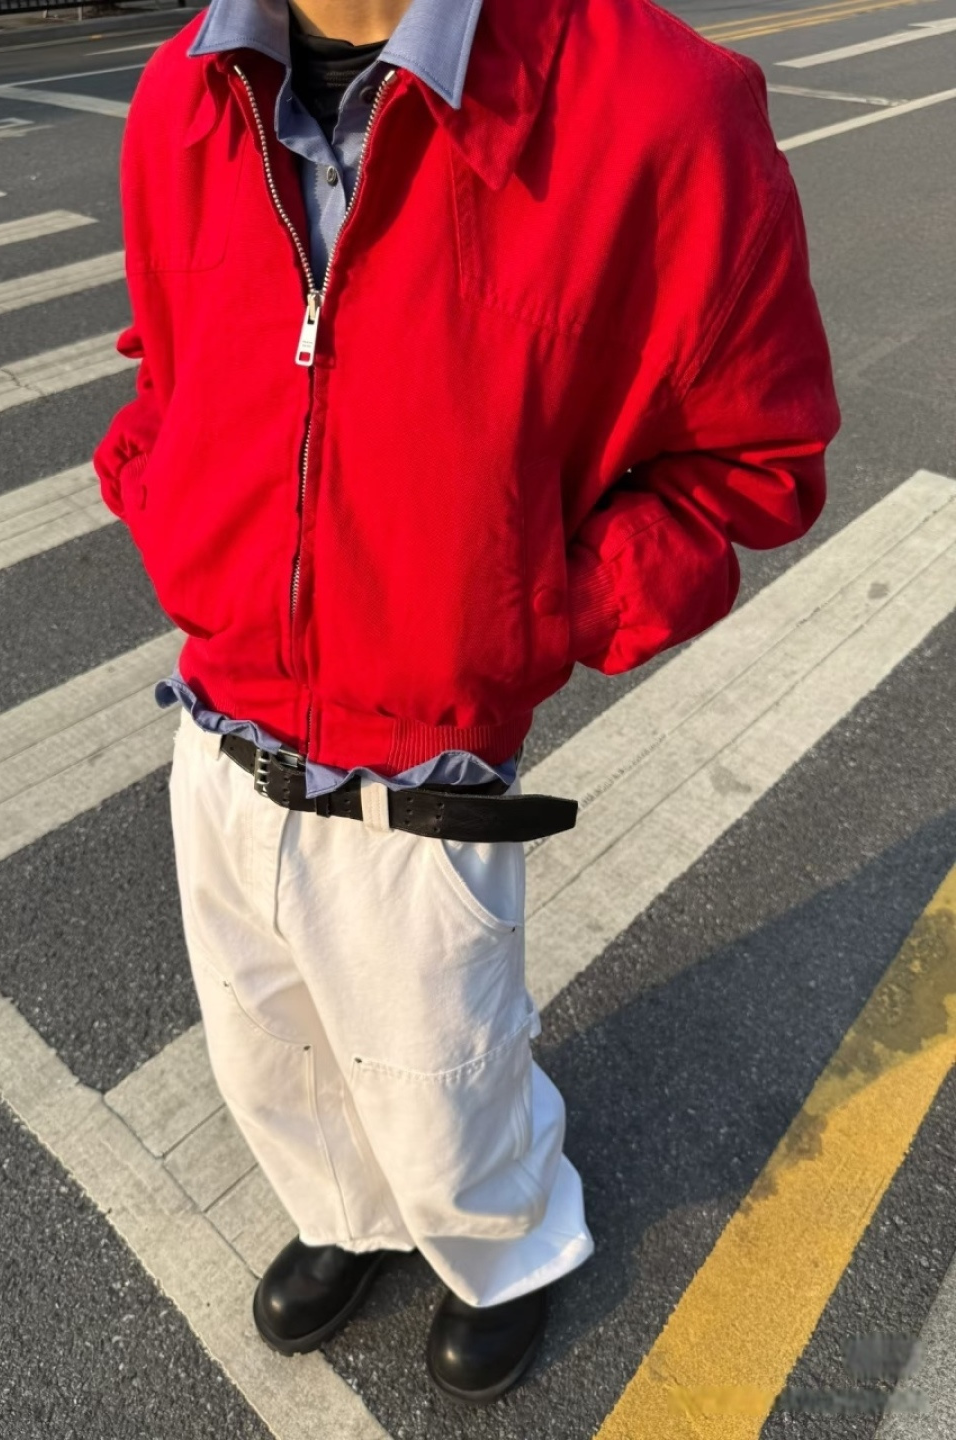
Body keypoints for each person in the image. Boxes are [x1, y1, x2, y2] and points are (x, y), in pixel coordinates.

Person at [94, 0, 839, 1405]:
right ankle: (347, 1215)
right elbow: (170, 356)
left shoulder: (657, 109)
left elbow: (753, 459)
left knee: (447, 1080)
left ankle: (507, 1251)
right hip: (220, 726)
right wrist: (163, 489)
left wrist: (523, 612)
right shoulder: (181, 93)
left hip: (420, 766)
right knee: (272, 1051)